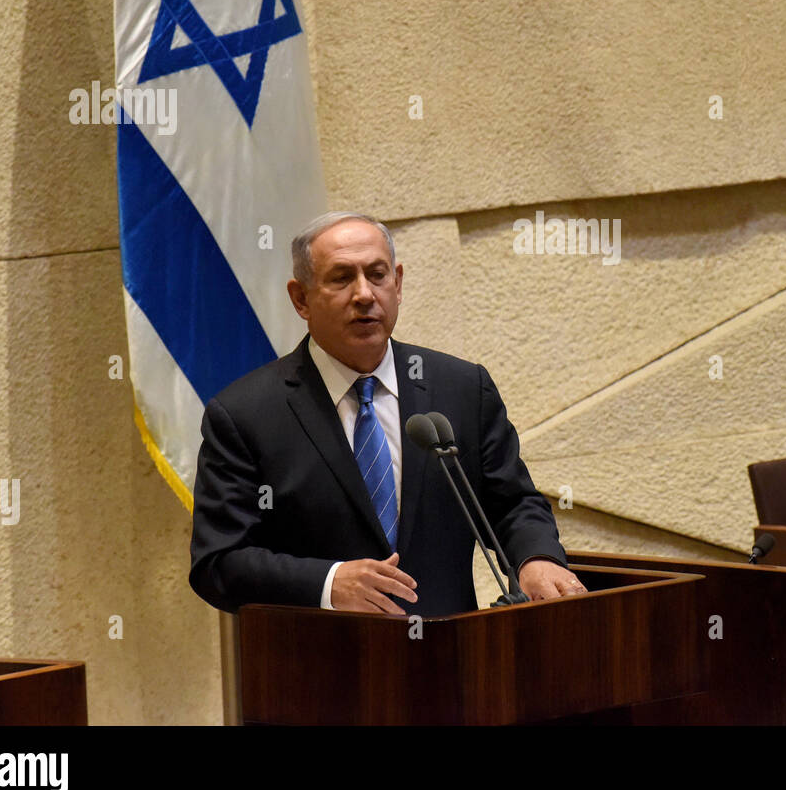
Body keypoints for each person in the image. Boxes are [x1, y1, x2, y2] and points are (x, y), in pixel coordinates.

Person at [190, 212, 582, 615]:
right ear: (301, 299)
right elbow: (218, 562)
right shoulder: (245, 414)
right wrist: (327, 583)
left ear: (397, 283)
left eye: (377, 275)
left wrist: (535, 558)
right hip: (317, 664)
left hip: (451, 653)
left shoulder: (461, 388)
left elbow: (513, 504)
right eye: (341, 278)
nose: (364, 294)